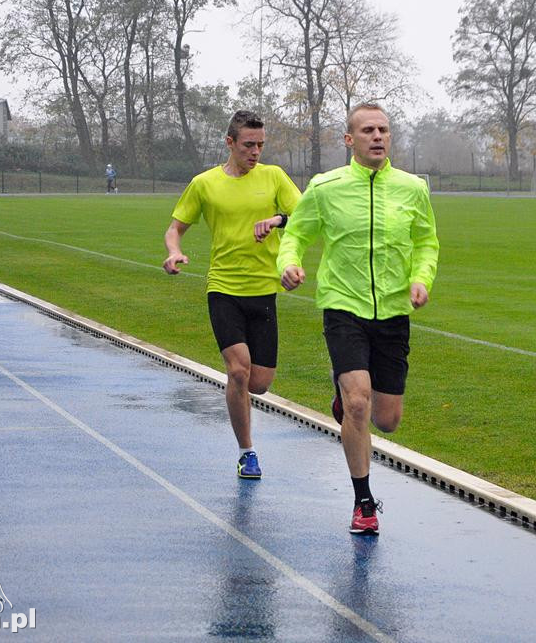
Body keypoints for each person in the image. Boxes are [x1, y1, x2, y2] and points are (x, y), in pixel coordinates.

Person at [277, 102, 439, 535]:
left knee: (386, 419)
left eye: (383, 130)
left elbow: (427, 243)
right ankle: (364, 502)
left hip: (392, 312)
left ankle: (343, 397)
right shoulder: (326, 187)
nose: (378, 137)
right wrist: (288, 265)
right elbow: (296, 234)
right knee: (359, 403)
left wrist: (421, 279)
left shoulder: (412, 188)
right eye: (368, 130)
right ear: (350, 140)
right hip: (343, 305)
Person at [163, 110, 301, 480]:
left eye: (260, 145)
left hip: (264, 291)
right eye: (248, 145)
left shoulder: (273, 177)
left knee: (259, 383)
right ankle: (247, 452)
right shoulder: (204, 183)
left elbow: (305, 215)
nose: (255, 151)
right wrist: (174, 251)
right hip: (223, 288)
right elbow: (176, 228)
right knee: (238, 370)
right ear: (230, 143)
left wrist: (277, 220)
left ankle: (245, 414)